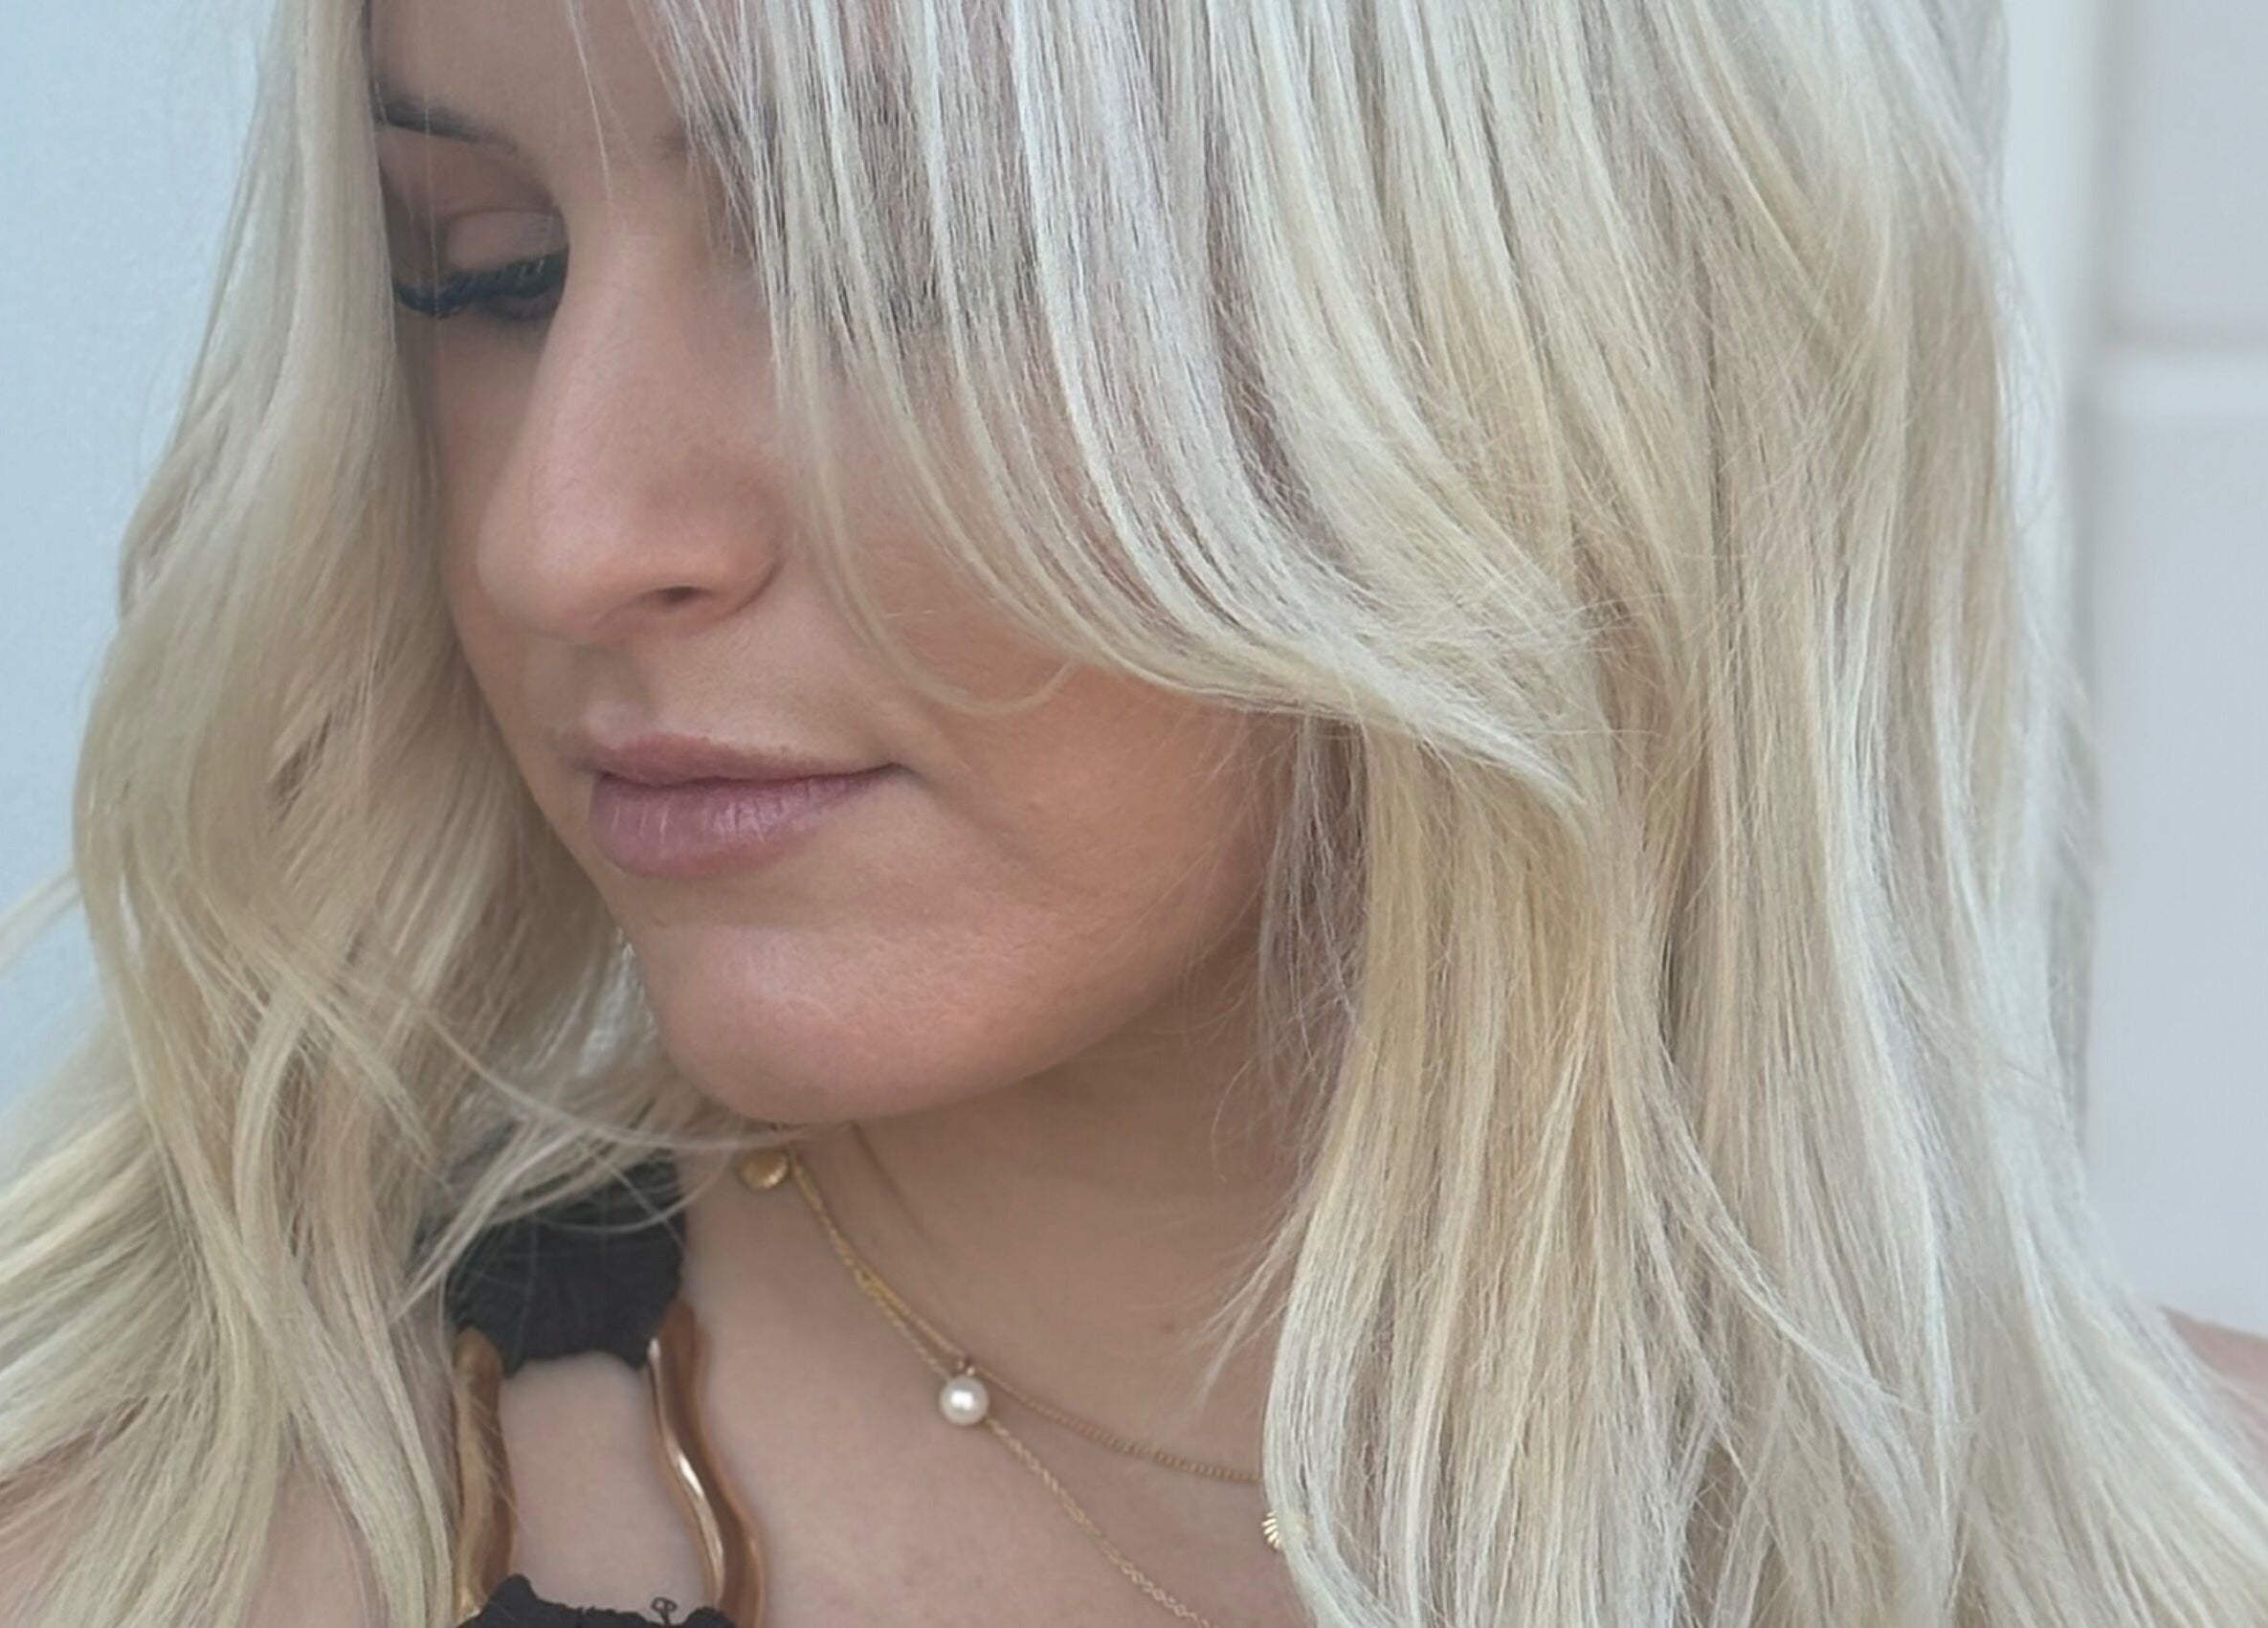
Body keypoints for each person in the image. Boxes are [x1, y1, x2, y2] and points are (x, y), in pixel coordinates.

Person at [2, 0, 2265, 1623]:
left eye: (892, 244)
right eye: (477, 271)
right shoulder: (140, 1543)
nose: (559, 533)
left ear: (1548, 303)